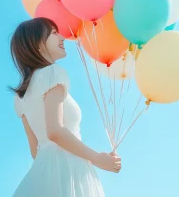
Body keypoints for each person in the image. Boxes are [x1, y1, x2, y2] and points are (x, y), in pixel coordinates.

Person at [9, 17, 121, 197]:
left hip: (44, 171)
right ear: (37, 44)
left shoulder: (19, 96)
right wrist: (98, 159)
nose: (62, 37)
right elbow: (55, 131)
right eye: (54, 33)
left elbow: (35, 149)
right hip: (70, 168)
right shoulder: (53, 73)